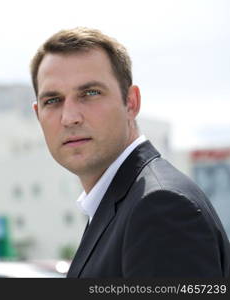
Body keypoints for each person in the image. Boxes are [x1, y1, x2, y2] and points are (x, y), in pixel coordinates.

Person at [30, 27, 230, 278]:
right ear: (38, 115)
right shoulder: (124, 203)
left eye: (90, 93)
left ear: (131, 103)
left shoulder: (160, 209)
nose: (70, 118)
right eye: (53, 100)